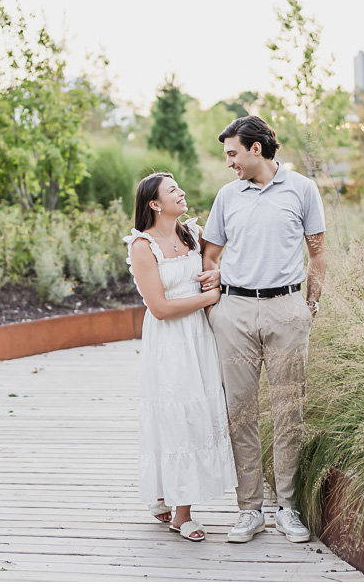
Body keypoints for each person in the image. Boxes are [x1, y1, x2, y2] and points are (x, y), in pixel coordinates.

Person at [199, 115, 327, 544]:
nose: (229, 162)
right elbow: (211, 254)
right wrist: (216, 307)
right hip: (234, 312)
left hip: (286, 309)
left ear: (256, 149)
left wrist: (308, 305)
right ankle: (249, 510)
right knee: (241, 411)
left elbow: (318, 254)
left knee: (289, 410)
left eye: (233, 153)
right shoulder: (227, 196)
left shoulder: (302, 189)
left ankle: (286, 508)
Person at [124, 172, 238, 542]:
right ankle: (176, 506)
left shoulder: (191, 233)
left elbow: (216, 268)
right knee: (176, 417)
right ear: (155, 204)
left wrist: (216, 279)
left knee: (197, 415)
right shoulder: (143, 246)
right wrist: (209, 298)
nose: (182, 192)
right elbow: (159, 307)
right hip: (170, 341)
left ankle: (174, 503)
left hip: (198, 338)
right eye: (173, 190)